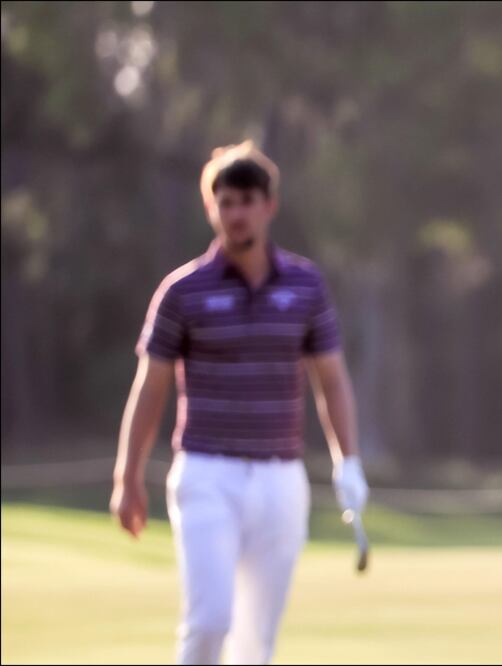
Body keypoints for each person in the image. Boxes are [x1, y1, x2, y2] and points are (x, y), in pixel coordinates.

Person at [109, 141, 370, 665]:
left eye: (246, 200)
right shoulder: (183, 291)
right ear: (212, 208)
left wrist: (350, 460)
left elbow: (332, 382)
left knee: (255, 644)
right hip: (207, 472)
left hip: (280, 479)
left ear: (269, 205)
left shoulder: (305, 285)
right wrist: (127, 477)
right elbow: (150, 386)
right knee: (210, 622)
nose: (235, 213)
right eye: (224, 202)